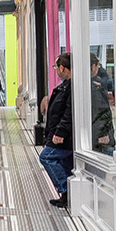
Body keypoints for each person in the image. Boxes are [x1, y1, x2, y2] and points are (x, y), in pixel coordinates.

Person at [40, 53, 75, 208]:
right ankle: (69, 194)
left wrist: (60, 133)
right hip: (58, 133)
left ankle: (65, 190)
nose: (56, 70)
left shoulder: (70, 88)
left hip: (63, 136)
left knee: (46, 157)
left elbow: (68, 113)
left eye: (56, 67)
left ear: (62, 68)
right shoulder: (64, 86)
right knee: (66, 163)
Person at [91, 57, 116, 156]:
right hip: (101, 140)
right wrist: (103, 133)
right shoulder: (94, 89)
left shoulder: (93, 85)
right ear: (93, 67)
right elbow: (101, 112)